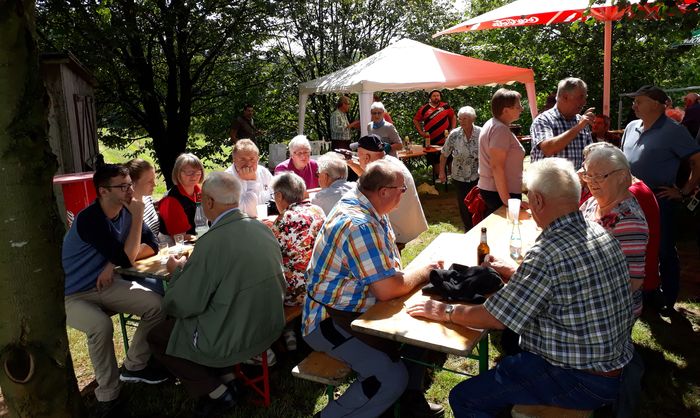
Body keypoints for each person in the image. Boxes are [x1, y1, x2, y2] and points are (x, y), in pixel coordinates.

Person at [407, 158, 634, 417]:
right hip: (609, 365)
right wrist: (517, 272)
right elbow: (566, 285)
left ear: (537, 200)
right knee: (510, 357)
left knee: (465, 398)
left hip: (579, 378)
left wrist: (442, 311)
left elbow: (494, 317)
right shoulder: (599, 232)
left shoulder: (548, 251)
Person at [304, 159, 445, 418]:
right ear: (383, 191)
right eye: (402, 189)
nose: (404, 194)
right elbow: (388, 289)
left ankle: (409, 403)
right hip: (328, 320)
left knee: (421, 328)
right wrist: (424, 272)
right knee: (389, 377)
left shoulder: (370, 208)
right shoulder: (359, 223)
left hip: (361, 309)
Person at [147, 171, 286, 417]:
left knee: (158, 336)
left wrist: (178, 272)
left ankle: (217, 391)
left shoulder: (211, 243)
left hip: (235, 333)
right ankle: (228, 375)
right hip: (269, 324)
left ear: (209, 202)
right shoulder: (262, 229)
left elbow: (182, 304)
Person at [62, 164, 167, 415]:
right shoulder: (90, 219)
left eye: (130, 184)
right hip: (72, 293)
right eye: (122, 186)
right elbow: (126, 254)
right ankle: (108, 396)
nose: (130, 190)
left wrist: (113, 262)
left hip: (106, 284)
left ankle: (135, 365)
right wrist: (121, 255)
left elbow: (152, 244)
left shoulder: (127, 210)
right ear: (103, 191)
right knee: (100, 325)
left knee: (158, 305)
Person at [578, 143, 649, 418]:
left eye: (600, 176)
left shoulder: (627, 220)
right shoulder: (594, 203)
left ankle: (609, 393)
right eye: (588, 175)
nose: (592, 183)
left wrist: (583, 297)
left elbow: (633, 282)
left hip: (611, 309)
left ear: (622, 176)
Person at [621, 85, 700, 315]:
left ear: (656, 104)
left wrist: (684, 191)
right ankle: (640, 293)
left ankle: (667, 297)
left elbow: (697, 160)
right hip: (630, 197)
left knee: (663, 248)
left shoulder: (674, 130)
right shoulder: (631, 126)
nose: (634, 105)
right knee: (633, 247)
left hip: (659, 199)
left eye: (639, 101)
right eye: (634, 100)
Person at [270, 172, 325, 350]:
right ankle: (291, 331)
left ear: (279, 196)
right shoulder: (317, 210)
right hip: (320, 282)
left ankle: (281, 336)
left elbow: (272, 255)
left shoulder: (284, 220)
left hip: (296, 292)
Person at [348, 134, 428, 246]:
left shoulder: (382, 171)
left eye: (359, 155)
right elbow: (367, 174)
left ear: (367, 158)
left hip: (398, 229)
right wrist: (351, 163)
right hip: (409, 223)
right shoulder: (389, 161)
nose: (357, 157)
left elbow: (367, 190)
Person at [477, 88, 526, 217]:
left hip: (496, 190)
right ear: (506, 110)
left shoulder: (494, 124)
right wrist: (507, 200)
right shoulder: (500, 129)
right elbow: (496, 166)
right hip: (499, 192)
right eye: (518, 106)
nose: (521, 109)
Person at [530, 77, 594, 169]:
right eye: (581, 97)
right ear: (565, 97)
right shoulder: (543, 120)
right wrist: (578, 127)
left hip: (576, 182)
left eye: (585, 97)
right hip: (548, 182)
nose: (584, 102)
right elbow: (548, 149)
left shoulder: (581, 121)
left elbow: (589, 154)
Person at [125, 158, 165, 295]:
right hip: (134, 270)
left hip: (154, 261)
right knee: (166, 288)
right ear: (133, 184)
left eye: (154, 179)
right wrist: (151, 247)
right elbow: (126, 254)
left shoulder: (147, 199)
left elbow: (153, 241)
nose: (155, 184)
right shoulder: (126, 209)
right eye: (149, 181)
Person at [439, 106, 481, 231]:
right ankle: (468, 230)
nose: (462, 121)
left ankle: (478, 227)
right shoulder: (454, 134)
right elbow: (444, 154)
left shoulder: (481, 132)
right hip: (459, 176)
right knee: (464, 206)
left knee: (478, 204)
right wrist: (442, 172)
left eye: (465, 118)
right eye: (460, 118)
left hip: (477, 175)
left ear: (473, 119)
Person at [158, 153, 204, 240]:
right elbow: (178, 236)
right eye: (189, 172)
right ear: (178, 173)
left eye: (198, 172)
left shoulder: (199, 191)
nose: (194, 176)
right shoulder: (171, 200)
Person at [413, 90, 457, 178]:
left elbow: (453, 117)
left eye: (438, 95)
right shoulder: (424, 108)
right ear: (430, 97)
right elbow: (415, 120)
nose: (436, 97)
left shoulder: (445, 106)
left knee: (450, 158)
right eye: (434, 95)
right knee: (435, 159)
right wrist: (421, 132)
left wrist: (453, 129)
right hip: (431, 139)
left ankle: (453, 178)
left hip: (446, 138)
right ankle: (439, 177)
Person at [225, 138, 273, 217]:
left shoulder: (264, 172)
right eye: (243, 159)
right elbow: (248, 212)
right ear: (234, 159)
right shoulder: (227, 179)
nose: (248, 164)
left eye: (252, 159)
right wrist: (251, 181)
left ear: (258, 159)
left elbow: (276, 196)